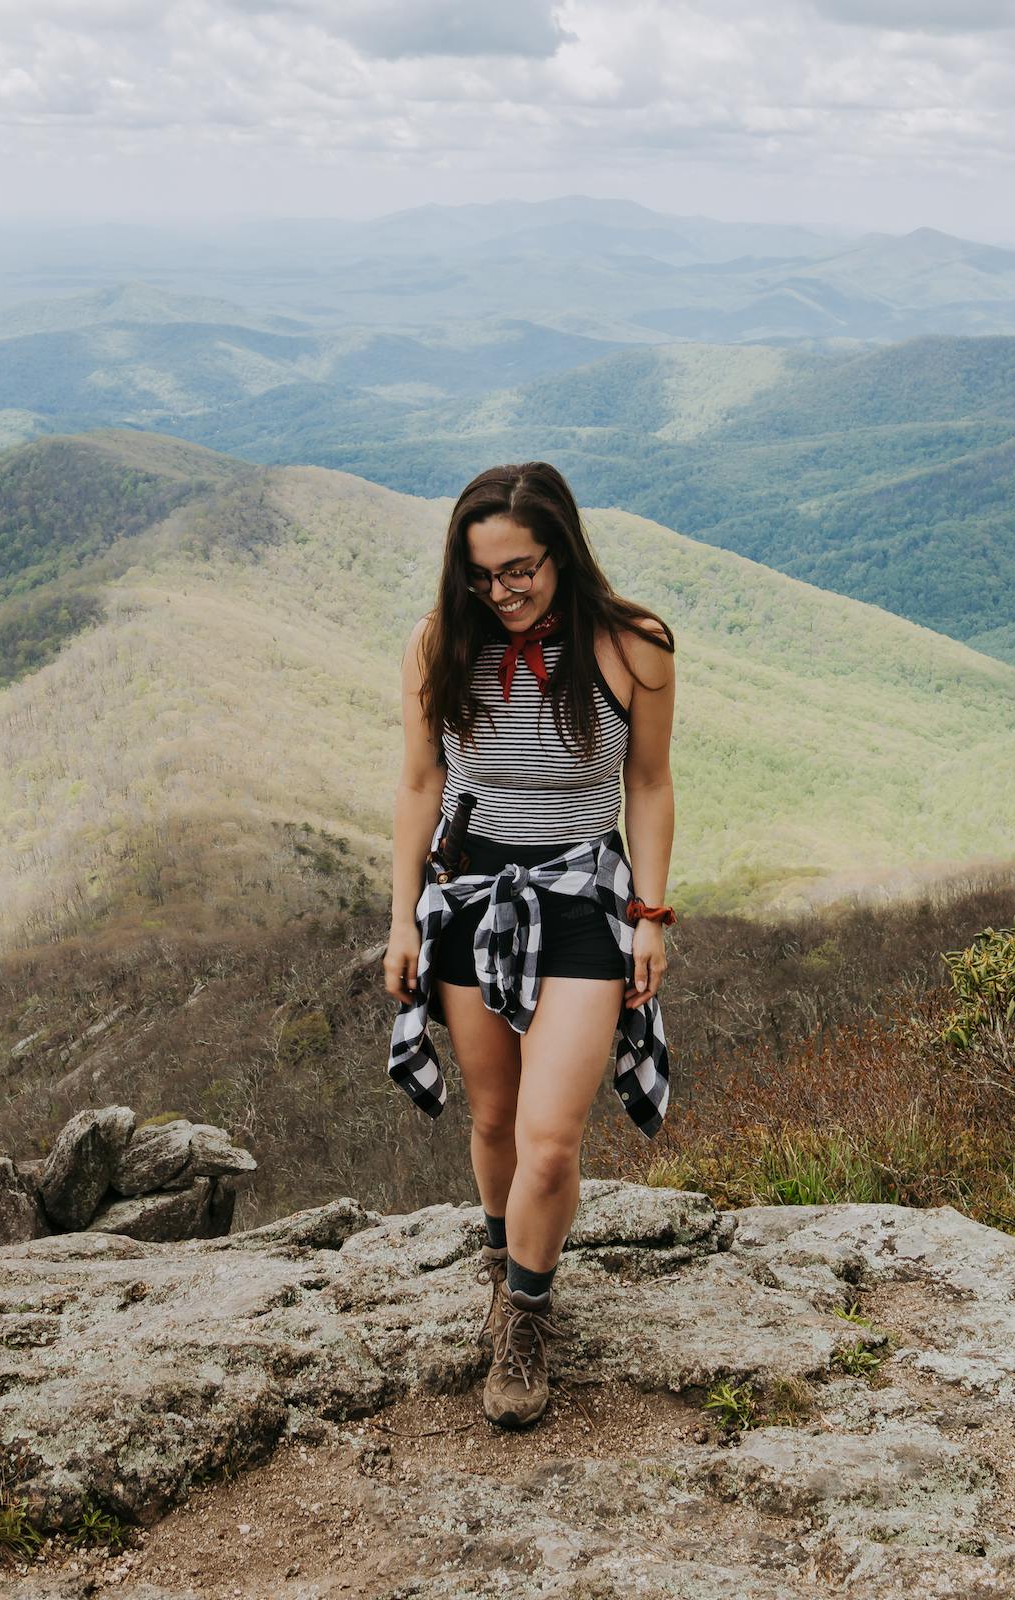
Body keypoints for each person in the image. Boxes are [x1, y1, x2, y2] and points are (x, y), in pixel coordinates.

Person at [383, 461, 678, 1430]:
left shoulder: (633, 647)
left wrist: (648, 913)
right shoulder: (440, 645)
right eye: (481, 576)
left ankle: (526, 1317)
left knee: (551, 1141)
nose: (501, 592)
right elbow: (419, 785)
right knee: (495, 1119)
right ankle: (502, 1268)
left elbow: (649, 783)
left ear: (562, 549)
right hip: (468, 897)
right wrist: (400, 920)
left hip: (582, 898)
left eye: (519, 571)